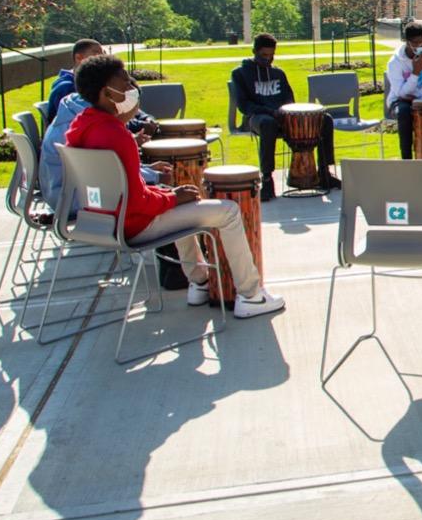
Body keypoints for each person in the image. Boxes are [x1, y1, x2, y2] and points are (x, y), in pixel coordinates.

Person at [65, 54, 284, 318]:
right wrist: (171, 199)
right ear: (106, 94)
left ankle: (200, 282)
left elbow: (128, 192)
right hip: (132, 226)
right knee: (228, 211)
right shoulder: (116, 135)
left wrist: (169, 195)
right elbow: (137, 203)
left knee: (183, 203)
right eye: (125, 85)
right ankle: (251, 295)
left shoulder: (83, 127)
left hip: (105, 222)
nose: (132, 89)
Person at [231, 33, 339, 201]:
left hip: (282, 116)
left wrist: (288, 113)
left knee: (325, 120)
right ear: (254, 51)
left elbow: (289, 99)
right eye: (263, 55)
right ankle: (267, 179)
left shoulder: (278, 73)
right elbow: (245, 105)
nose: (268, 59)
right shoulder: (240, 73)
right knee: (268, 125)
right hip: (256, 118)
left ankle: (324, 172)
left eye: (271, 55)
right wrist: (270, 111)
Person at [41, 78, 164, 211]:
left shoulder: (78, 118)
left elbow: (103, 169)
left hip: (63, 196)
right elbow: (131, 194)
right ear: (107, 94)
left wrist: (147, 170)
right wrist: (160, 180)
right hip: (90, 203)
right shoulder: (106, 132)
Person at [384, 21, 422, 159]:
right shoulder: (395, 63)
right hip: (399, 102)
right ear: (408, 42)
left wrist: (419, 101)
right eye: (417, 43)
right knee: (404, 111)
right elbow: (400, 93)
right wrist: (416, 73)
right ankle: (407, 159)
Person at [45, 39, 104, 125]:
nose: (102, 58)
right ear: (79, 58)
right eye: (96, 54)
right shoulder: (66, 87)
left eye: (103, 54)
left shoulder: (89, 83)